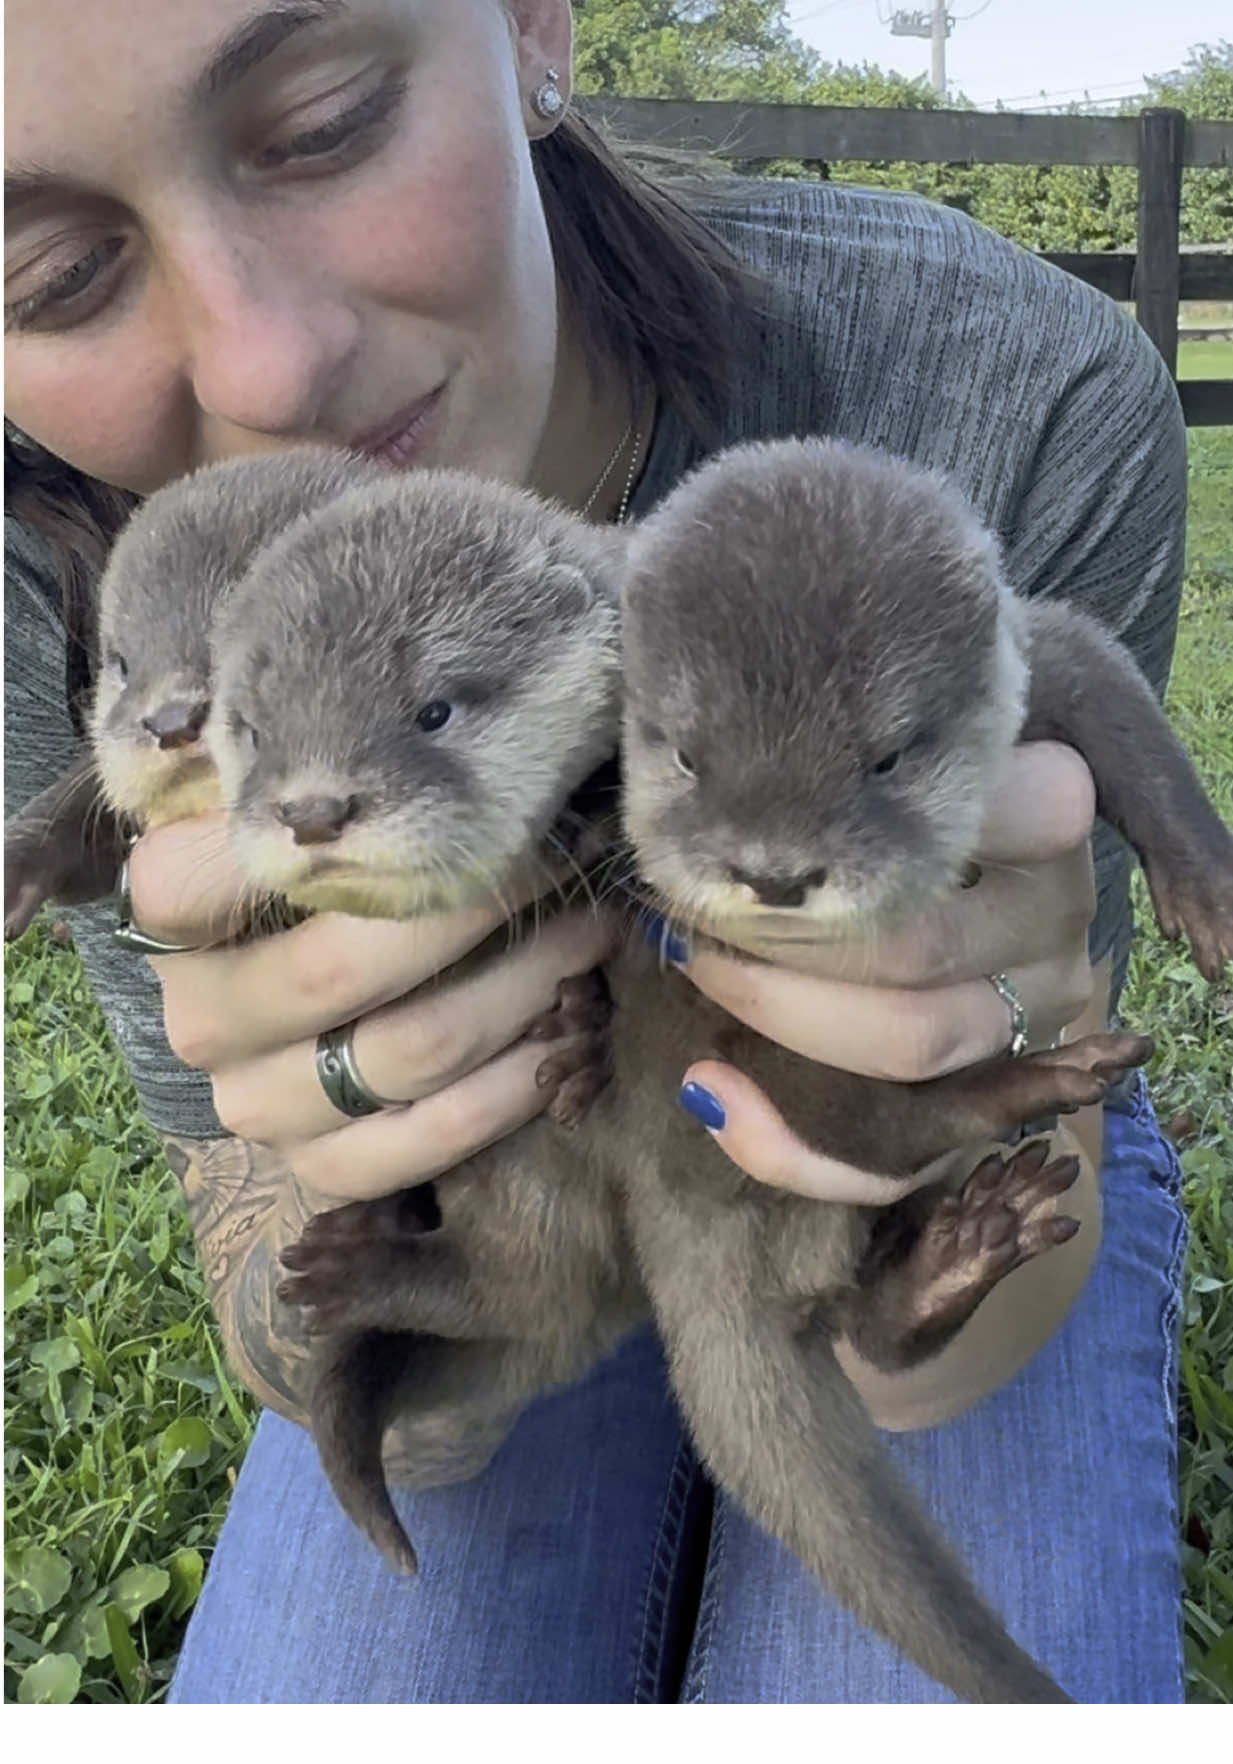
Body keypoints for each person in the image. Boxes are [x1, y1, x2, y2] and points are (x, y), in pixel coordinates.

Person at [4, 0, 1189, 1704]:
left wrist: (961, 1124)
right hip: (524, 1210)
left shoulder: (1011, 380)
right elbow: (288, 1266)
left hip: (876, 1149)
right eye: (51, 279)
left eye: (327, 120)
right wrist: (355, 1216)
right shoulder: (112, 595)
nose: (268, 366)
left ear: (535, 25)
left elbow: (995, 1140)